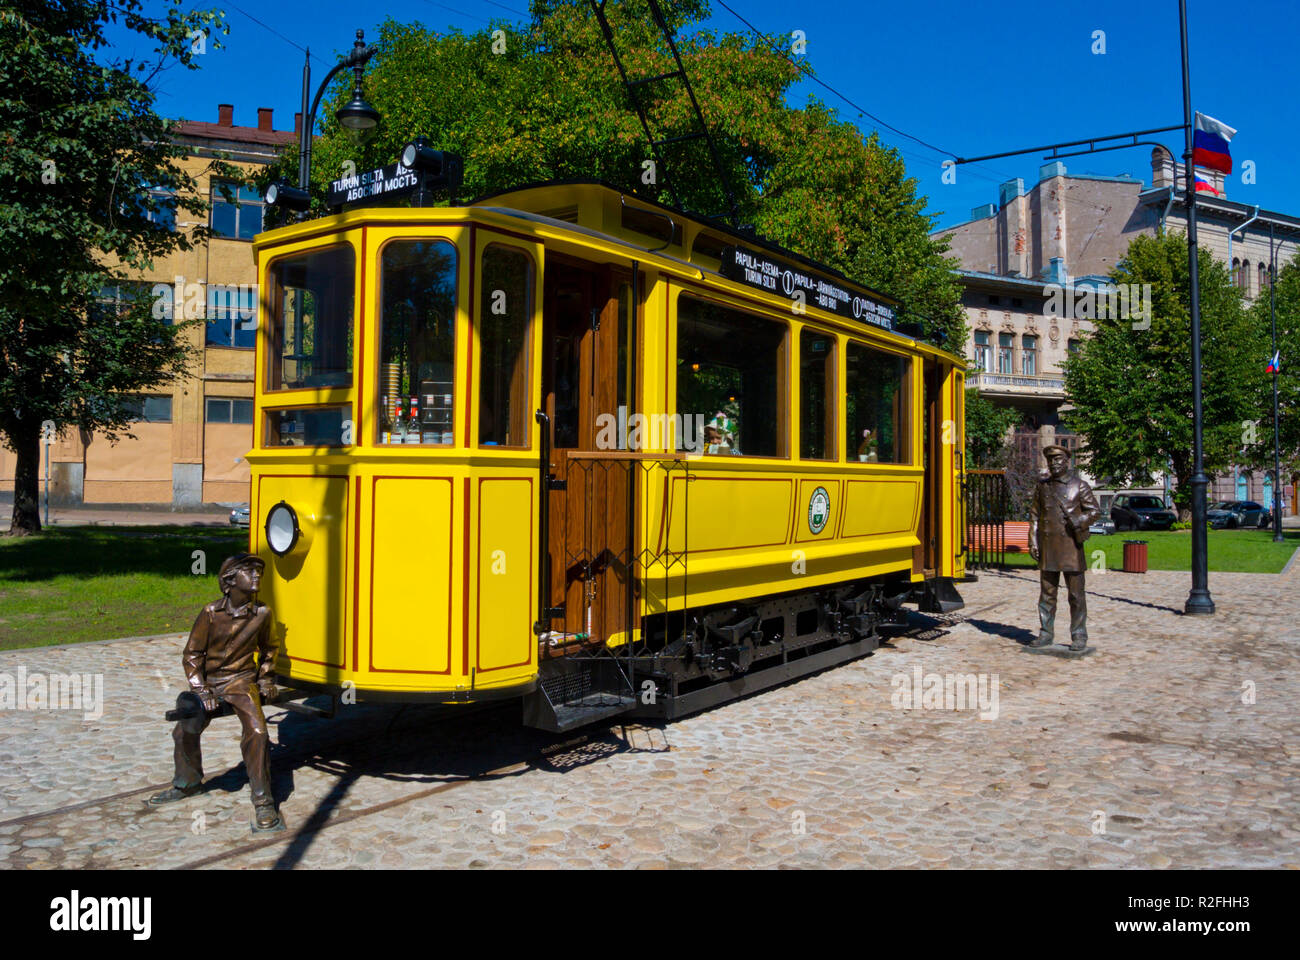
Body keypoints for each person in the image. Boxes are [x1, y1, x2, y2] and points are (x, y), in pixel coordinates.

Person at [149, 553, 281, 830]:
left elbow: (270, 649)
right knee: (184, 730)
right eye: (250, 572)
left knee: (258, 732)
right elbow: (192, 655)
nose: (257, 576)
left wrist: (266, 678)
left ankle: (263, 800)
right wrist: (201, 688)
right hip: (210, 681)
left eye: (259, 572)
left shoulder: (263, 613)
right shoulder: (211, 613)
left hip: (242, 682)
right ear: (230, 580)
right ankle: (188, 784)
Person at [1028, 445, 1101, 651]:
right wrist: (1033, 541)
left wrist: (1080, 520)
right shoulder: (1043, 487)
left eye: (1058, 459)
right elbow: (1034, 515)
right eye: (1051, 460)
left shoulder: (1079, 485)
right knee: (1046, 595)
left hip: (1070, 547)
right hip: (1048, 546)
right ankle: (1045, 633)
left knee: (1076, 596)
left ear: (1067, 461)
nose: (1054, 463)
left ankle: (1079, 635)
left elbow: (1095, 511)